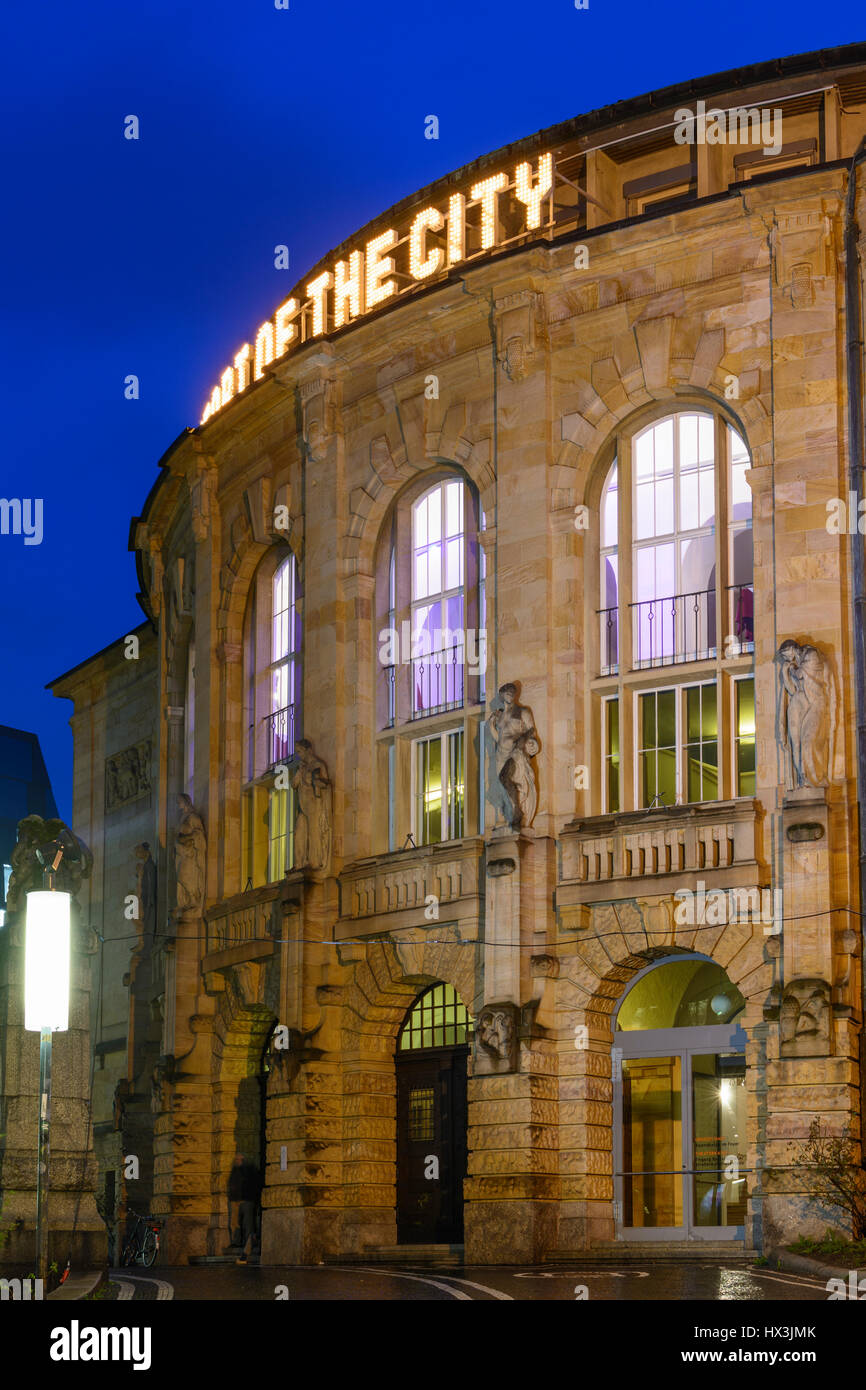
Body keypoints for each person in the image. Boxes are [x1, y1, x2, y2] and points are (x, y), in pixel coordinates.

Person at [228, 1151, 262, 1265]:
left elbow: (252, 1185)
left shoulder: (249, 1171)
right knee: (235, 1223)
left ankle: (247, 1244)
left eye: (239, 1159)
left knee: (247, 1223)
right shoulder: (235, 1170)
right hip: (236, 1199)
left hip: (247, 1199)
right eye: (236, 1159)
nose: (236, 1161)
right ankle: (236, 1242)